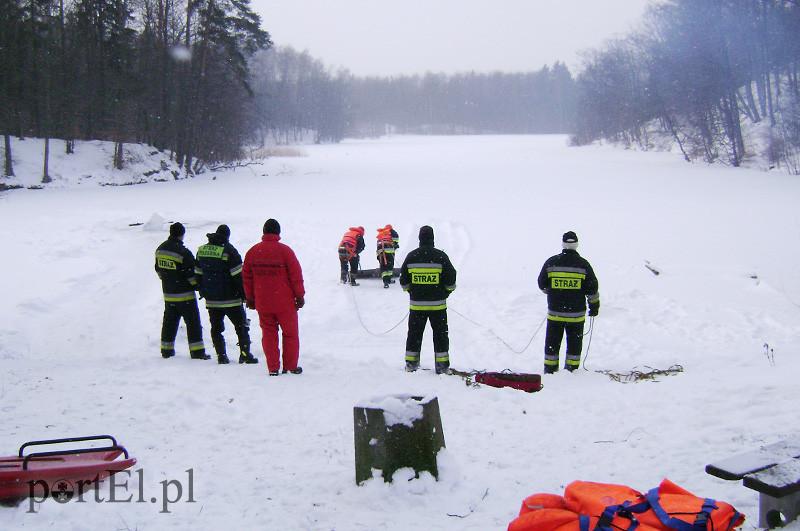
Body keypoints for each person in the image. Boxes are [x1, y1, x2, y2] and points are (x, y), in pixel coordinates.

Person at [243, 219, 305, 376]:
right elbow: (295, 276)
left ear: (264, 232)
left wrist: (250, 298)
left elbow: (247, 278)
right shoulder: (285, 252)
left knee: (269, 334)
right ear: (278, 232)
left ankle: (273, 368)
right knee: (290, 334)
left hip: (263, 302)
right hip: (285, 303)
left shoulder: (253, 252)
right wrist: (299, 295)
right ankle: (290, 366)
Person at [536, 231, 600, 374]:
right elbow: (592, 289)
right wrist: (594, 306)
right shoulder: (583, 265)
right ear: (576, 245)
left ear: (563, 244)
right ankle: (572, 370)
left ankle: (550, 369)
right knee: (574, 344)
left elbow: (541, 284)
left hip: (555, 314)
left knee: (552, 343)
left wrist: (552, 292)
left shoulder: (551, 262)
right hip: (576, 315)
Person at [195, 224, 258, 365]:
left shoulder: (202, 251)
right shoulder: (229, 251)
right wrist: (244, 295)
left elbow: (198, 274)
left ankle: (221, 356)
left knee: (216, 329)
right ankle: (245, 354)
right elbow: (238, 276)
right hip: (231, 299)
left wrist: (204, 291)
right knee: (241, 327)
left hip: (212, 300)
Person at [399, 225, 457, 374]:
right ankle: (442, 367)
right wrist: (445, 293)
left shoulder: (411, 256)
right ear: (432, 238)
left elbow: (404, 281)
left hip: (417, 307)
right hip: (438, 308)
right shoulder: (441, 256)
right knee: (440, 336)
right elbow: (451, 279)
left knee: (414, 335)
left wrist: (412, 291)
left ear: (419, 238)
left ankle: (411, 365)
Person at [154, 222, 209, 360]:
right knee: (193, 324)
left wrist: (168, 281)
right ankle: (197, 352)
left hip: (169, 295)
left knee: (169, 323)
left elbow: (158, 270)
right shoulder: (183, 253)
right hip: (185, 296)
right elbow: (191, 275)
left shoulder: (160, 249)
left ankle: (166, 350)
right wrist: (198, 287)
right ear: (182, 234)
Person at [376, 224, 400, 288]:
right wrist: (395, 245)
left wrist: (378, 256)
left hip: (380, 251)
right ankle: (388, 280)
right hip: (389, 250)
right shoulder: (391, 231)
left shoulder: (381, 234)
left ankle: (386, 281)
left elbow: (378, 245)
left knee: (383, 265)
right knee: (390, 265)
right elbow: (396, 238)